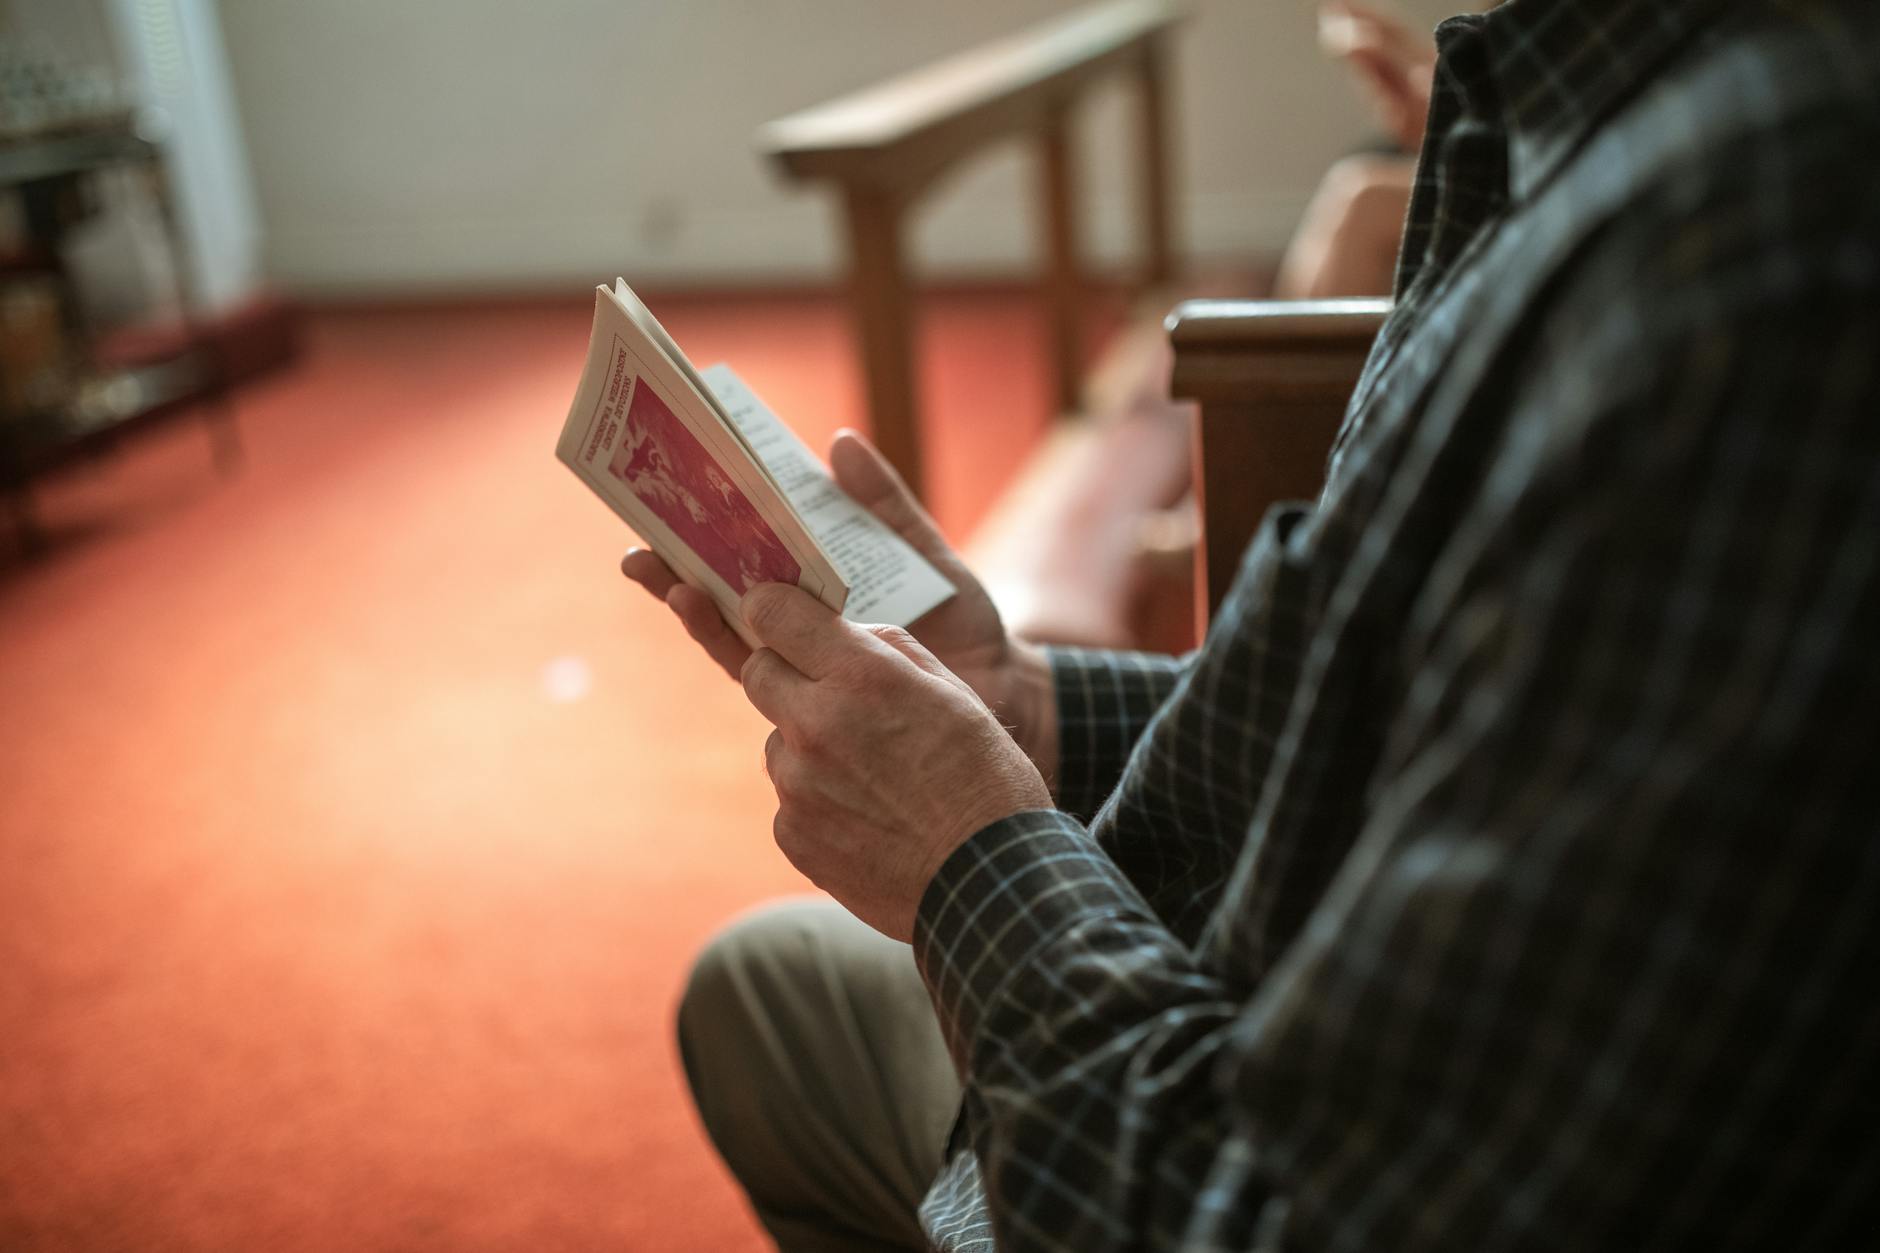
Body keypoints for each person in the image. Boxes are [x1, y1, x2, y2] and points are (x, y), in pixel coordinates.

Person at [623, 0, 1880, 1247]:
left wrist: (971, 855)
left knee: (783, 1011)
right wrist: (1032, 704)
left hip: (1251, 1123)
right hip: (1289, 994)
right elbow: (1431, 681)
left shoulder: (1758, 257)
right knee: (763, 990)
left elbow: (1279, 1216)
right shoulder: (1611, 111)